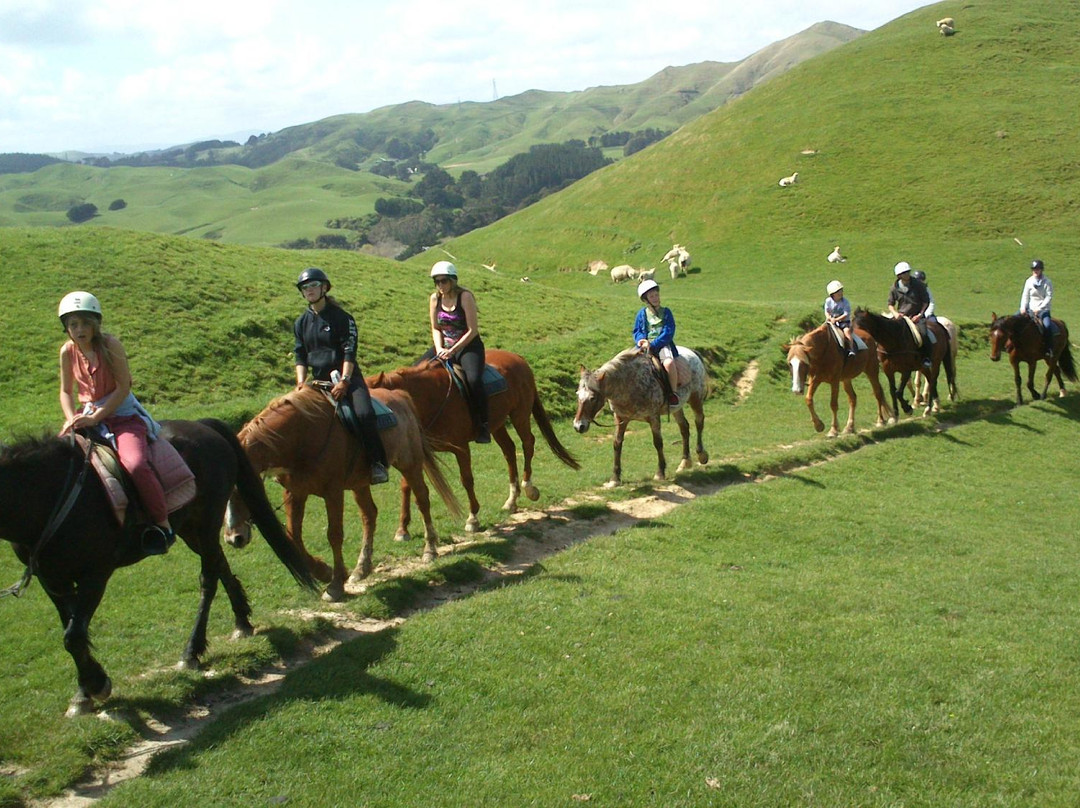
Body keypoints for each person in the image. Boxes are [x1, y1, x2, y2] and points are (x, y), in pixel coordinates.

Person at [57, 291, 175, 555]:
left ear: (96, 323)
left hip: (122, 415)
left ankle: (163, 525)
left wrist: (97, 417)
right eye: (73, 324)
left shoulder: (111, 345)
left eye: (85, 322)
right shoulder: (67, 351)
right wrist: (71, 419)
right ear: (66, 327)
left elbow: (123, 387)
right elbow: (65, 391)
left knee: (134, 464)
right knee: (56, 461)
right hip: (84, 415)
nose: (79, 329)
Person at [293, 267, 389, 483]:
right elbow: (300, 355)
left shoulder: (342, 318)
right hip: (317, 382)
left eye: (313, 285)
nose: (309, 290)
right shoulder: (300, 323)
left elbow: (349, 351)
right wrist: (300, 383)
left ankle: (377, 462)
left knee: (364, 414)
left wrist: (345, 381)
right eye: (305, 287)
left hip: (348, 378)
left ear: (324, 288)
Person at [419, 260, 490, 443]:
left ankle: (483, 424)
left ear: (453, 280)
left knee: (473, 380)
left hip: (468, 346)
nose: (440, 285)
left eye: (444, 281)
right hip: (444, 346)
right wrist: (440, 348)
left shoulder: (465, 297)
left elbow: (472, 330)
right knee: (416, 370)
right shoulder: (434, 299)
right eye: (437, 281)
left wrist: (453, 350)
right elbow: (435, 328)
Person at [633, 279, 681, 405]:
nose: (655, 298)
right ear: (646, 299)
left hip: (662, 345)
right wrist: (640, 340)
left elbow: (668, 332)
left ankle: (673, 393)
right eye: (651, 296)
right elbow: (637, 330)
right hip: (645, 346)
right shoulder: (641, 314)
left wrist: (653, 344)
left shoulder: (666, 312)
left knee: (669, 363)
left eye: (656, 295)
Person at [886, 261, 933, 369]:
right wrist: (895, 313)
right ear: (899, 275)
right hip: (901, 317)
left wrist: (920, 315)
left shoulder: (918, 285)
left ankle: (926, 358)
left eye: (908, 272)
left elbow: (926, 301)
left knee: (924, 334)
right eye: (904, 273)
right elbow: (890, 304)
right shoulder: (894, 287)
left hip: (916, 316)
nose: (907, 274)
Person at [1019, 258, 1054, 357]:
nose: (1035, 271)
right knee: (1014, 320)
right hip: (1030, 308)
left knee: (1047, 326)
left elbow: (1048, 297)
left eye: (1037, 269)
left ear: (1041, 270)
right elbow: (1025, 295)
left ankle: (1049, 349)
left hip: (1043, 310)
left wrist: (1040, 308)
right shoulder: (1029, 281)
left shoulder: (1047, 282)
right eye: (1034, 269)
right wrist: (1023, 308)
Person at [824, 279, 856, 357]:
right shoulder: (828, 301)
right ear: (832, 294)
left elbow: (846, 314)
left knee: (847, 332)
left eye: (841, 291)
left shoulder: (845, 302)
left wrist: (836, 319)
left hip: (844, 322)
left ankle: (851, 349)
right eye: (838, 292)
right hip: (832, 321)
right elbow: (827, 311)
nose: (841, 293)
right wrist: (829, 318)